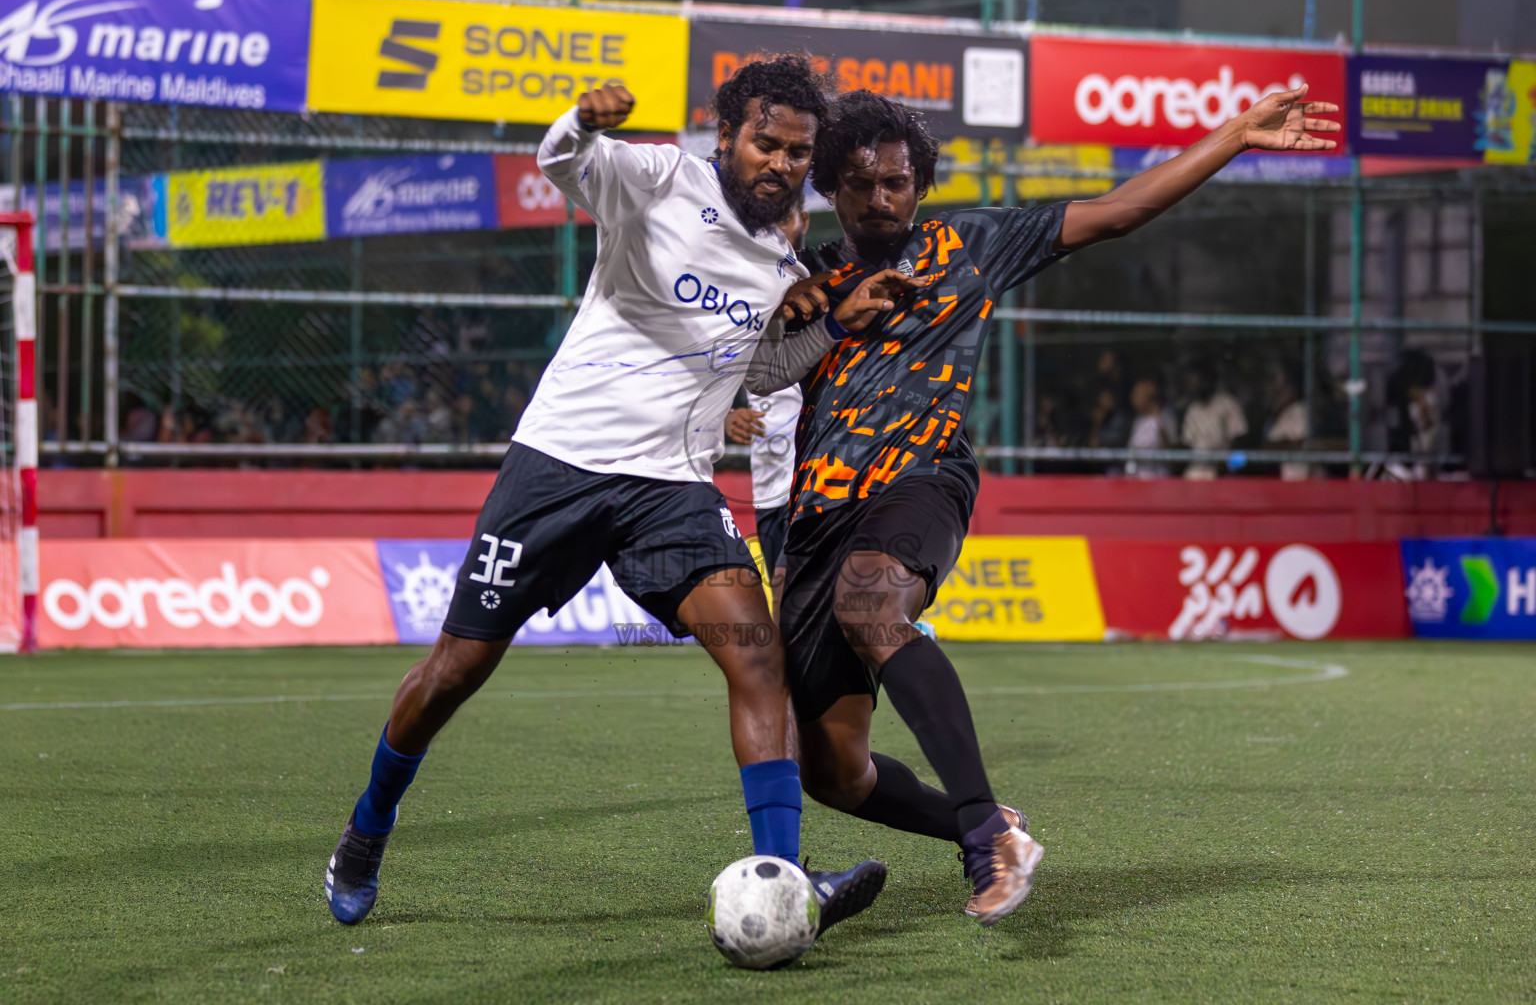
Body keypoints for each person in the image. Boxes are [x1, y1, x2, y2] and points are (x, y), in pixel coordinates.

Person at [325, 60, 907, 930]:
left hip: (670, 489)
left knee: (758, 656)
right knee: (456, 670)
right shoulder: (657, 177)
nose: (782, 162)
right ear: (728, 136)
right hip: (557, 466)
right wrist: (582, 120)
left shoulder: (776, 262)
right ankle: (368, 826)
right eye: (766, 142)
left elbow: (757, 374)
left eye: (797, 150)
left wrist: (830, 327)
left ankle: (784, 877)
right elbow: (564, 163)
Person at [750, 85, 1339, 925]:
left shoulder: (974, 243)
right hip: (813, 521)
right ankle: (976, 830)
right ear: (831, 189)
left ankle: (990, 827)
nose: (881, 198)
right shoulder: (800, 277)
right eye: (860, 183)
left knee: (874, 597)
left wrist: (1233, 138)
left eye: (898, 181)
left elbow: (1119, 210)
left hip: (921, 478)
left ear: (921, 183)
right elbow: (741, 371)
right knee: (833, 772)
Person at [725, 198, 813, 617]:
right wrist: (725, 414)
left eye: (783, 218)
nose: (775, 232)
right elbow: (706, 367)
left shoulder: (827, 285)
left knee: (802, 593)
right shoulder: (736, 289)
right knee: (783, 605)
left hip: (825, 477)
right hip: (773, 481)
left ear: (803, 220)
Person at [1180, 360, 1249, 480]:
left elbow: (1241, 440)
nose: (1190, 384)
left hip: (1222, 473)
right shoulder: (1192, 409)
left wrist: (1228, 465)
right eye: (1188, 381)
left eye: (1193, 379)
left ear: (1206, 379)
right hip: (1197, 473)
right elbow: (1188, 444)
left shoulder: (1227, 403)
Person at [1261, 362, 1311, 480]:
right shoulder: (1274, 418)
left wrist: (1269, 448)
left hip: (1300, 483)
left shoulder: (1299, 411)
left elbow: (1301, 444)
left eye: (1273, 380)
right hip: (1279, 485)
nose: (1268, 387)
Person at [1126, 377, 1178, 478]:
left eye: (1137, 394)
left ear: (1148, 396)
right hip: (1138, 481)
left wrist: (1159, 423)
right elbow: (1132, 452)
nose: (1133, 398)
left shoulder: (1165, 417)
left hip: (1159, 480)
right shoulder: (1138, 421)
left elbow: (1169, 449)